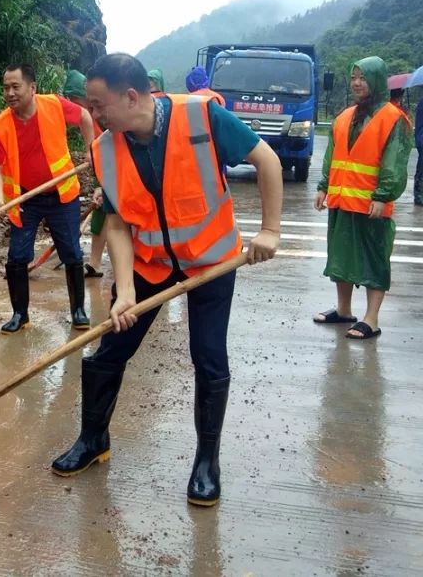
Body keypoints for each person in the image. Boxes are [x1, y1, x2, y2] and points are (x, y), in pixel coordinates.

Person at [50, 53, 282, 508]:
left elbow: (266, 160)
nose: (92, 115)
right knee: (108, 352)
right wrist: (127, 291)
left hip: (211, 262)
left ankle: (206, 462)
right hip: (151, 264)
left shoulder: (201, 116)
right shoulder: (105, 148)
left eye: (98, 105)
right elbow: (115, 222)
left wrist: (270, 230)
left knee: (209, 359)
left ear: (131, 96)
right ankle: (93, 439)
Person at [0, 64, 97, 333]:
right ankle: (20, 315)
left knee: (71, 251)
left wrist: (91, 149)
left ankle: (78, 311)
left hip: (62, 194)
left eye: (16, 86)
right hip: (25, 198)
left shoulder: (54, 105)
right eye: (6, 88)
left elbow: (84, 116)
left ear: (32, 87)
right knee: (17, 256)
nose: (10, 93)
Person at [313, 56, 410, 339]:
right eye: (354, 77)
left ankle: (372, 319)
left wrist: (383, 195)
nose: (357, 83)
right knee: (340, 257)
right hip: (342, 200)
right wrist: (323, 186)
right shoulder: (344, 116)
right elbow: (332, 156)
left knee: (374, 260)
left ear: (377, 81)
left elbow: (394, 162)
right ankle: (343, 310)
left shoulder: (394, 119)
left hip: (372, 204)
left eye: (363, 77)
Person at [62, 69, 107, 278]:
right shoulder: (85, 114)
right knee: (102, 211)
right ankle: (95, 263)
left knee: (113, 214)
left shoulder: (103, 113)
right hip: (105, 169)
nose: (72, 103)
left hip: (119, 169)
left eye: (74, 98)